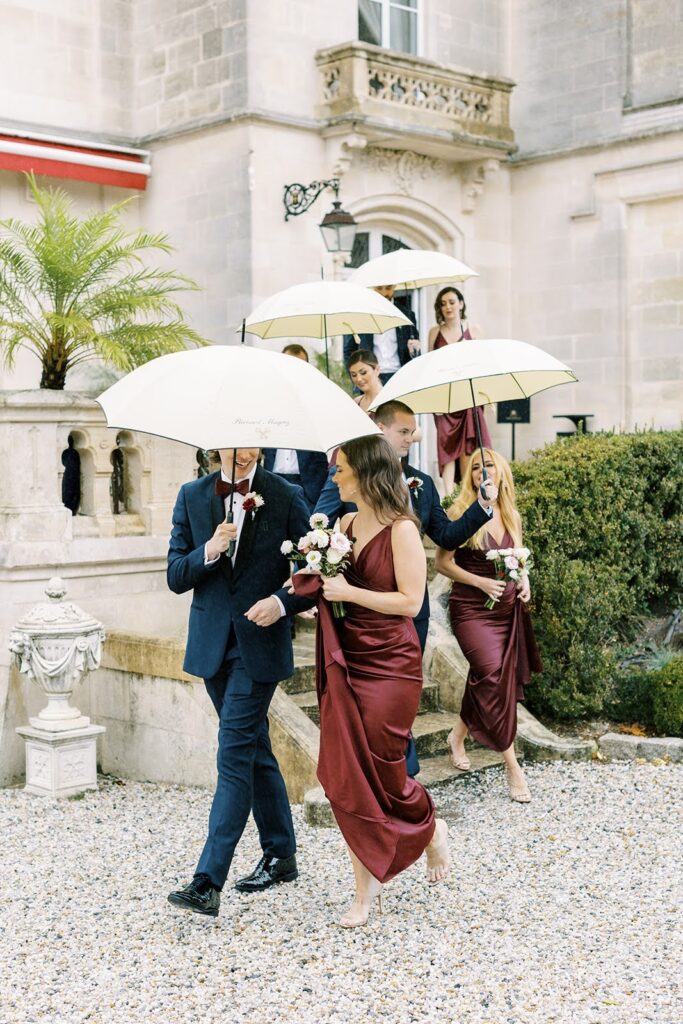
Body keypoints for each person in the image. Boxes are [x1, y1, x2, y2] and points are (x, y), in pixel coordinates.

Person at [293, 436, 451, 927]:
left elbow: (410, 602)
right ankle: (364, 893)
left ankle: (429, 829)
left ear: (364, 473)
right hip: (348, 659)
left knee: (383, 771)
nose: (334, 478)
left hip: (391, 664)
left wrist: (351, 592)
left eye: (340, 470)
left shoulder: (403, 529)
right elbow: (328, 586)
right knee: (349, 778)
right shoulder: (340, 525)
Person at [314, 398, 498, 775]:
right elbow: (318, 523)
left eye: (413, 432)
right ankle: (398, 779)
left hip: (406, 620)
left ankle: (400, 778)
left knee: (395, 703)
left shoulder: (423, 483)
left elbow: (445, 534)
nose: (411, 438)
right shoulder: (349, 477)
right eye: (403, 431)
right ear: (380, 430)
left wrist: (480, 507)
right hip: (359, 626)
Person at [166, 447, 311, 917]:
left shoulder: (285, 495)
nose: (247, 452)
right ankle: (282, 854)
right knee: (253, 746)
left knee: (232, 751)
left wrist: (281, 602)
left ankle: (208, 880)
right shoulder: (191, 496)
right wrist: (209, 550)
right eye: (236, 440)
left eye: (254, 441)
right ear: (216, 443)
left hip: (260, 643)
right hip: (212, 646)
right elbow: (174, 575)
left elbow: (315, 568)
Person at [435, 448, 542, 803]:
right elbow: (442, 563)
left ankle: (457, 735)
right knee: (493, 674)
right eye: (476, 467)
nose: (483, 471)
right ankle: (512, 766)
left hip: (507, 609)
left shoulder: (510, 513)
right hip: (471, 608)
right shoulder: (461, 510)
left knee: (488, 676)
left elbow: (518, 560)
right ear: (470, 476)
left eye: (489, 465)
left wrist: (524, 581)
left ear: (502, 471)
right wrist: (479, 583)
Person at [428, 286, 492, 493]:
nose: (448, 307)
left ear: (461, 304)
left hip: (470, 396)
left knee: (468, 446)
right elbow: (430, 367)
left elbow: (483, 365)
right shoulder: (434, 332)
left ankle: (466, 494)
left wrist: (488, 397)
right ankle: (447, 496)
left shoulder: (474, 331)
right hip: (445, 398)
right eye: (443, 303)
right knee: (446, 446)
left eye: (452, 302)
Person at [262, 344, 328, 510]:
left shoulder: (318, 398)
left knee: (307, 533)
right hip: (273, 477)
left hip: (308, 484)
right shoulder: (268, 397)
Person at [344, 285, 421, 385]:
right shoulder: (362, 315)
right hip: (371, 378)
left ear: (394, 287)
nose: (384, 293)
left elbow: (415, 352)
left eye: (388, 288)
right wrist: (357, 379)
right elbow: (349, 351)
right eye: (379, 288)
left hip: (400, 377)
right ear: (373, 288)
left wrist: (416, 349)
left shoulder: (407, 315)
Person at [347, 349, 383, 413]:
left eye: (363, 372)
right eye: (354, 375)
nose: (359, 379)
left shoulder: (389, 400)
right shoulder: (356, 403)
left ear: (377, 369)